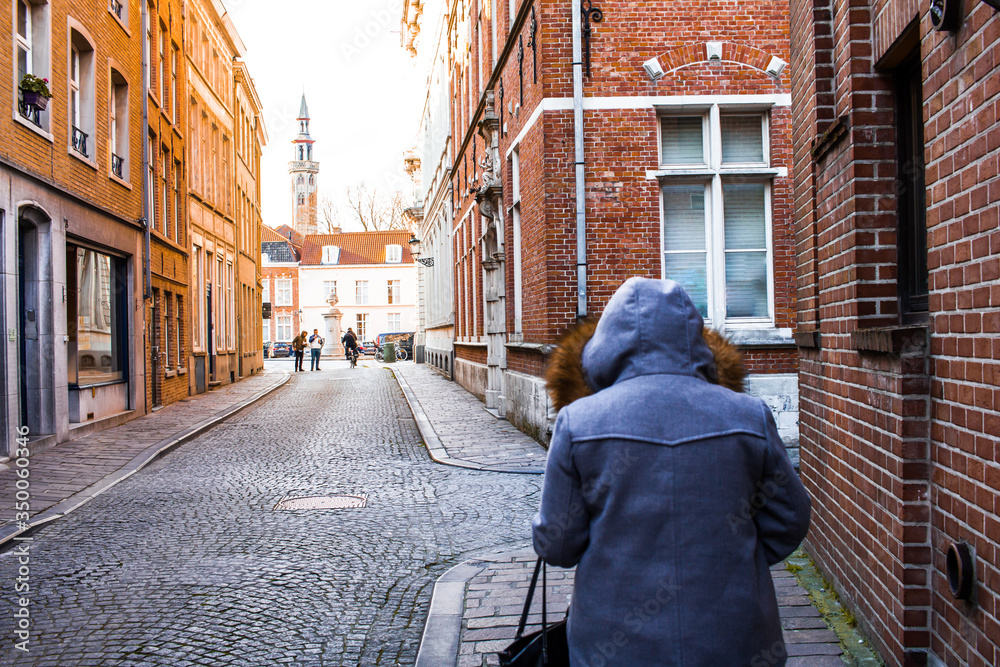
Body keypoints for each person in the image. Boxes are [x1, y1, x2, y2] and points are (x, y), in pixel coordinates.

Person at [533, 277, 811, 667]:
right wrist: (730, 559)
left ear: (607, 344)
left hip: (614, 644)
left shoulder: (579, 424)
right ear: (694, 337)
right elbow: (791, 519)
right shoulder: (749, 416)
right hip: (734, 637)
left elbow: (556, 546)